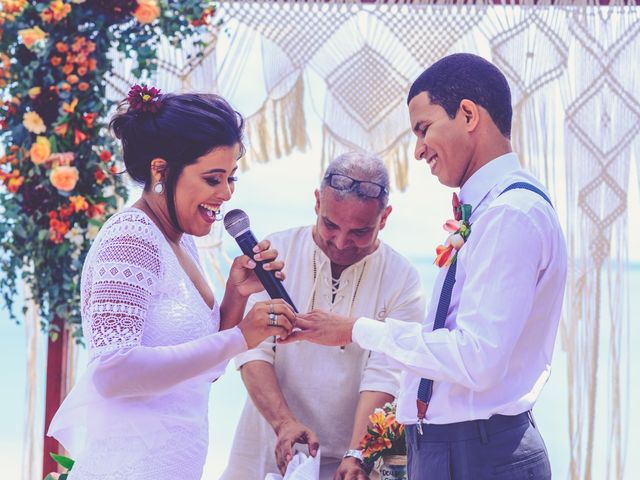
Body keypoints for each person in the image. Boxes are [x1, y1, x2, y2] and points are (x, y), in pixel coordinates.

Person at [283, 53, 567, 479]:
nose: (418, 151)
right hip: (458, 450)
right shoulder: (492, 209)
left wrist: (355, 329)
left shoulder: (512, 214)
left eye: (423, 128)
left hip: (480, 454)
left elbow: (478, 359)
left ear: (468, 114)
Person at [47, 86, 296, 479]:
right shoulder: (131, 237)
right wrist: (240, 337)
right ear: (161, 170)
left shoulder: (179, 243)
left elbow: (203, 371)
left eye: (231, 178)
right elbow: (113, 373)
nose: (226, 193)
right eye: (213, 178)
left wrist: (236, 296)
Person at [220, 152, 425, 480]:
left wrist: (357, 453)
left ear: (384, 218)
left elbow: (385, 375)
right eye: (331, 225)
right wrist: (284, 425)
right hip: (268, 450)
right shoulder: (275, 255)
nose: (341, 242)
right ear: (317, 202)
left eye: (360, 231)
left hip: (351, 464)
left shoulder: (403, 278)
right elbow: (251, 351)